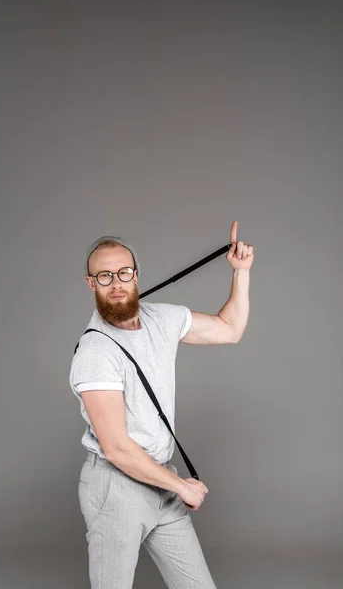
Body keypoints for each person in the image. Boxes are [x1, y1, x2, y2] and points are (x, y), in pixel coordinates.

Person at [69, 221, 253, 589]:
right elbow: (118, 449)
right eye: (104, 276)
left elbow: (229, 329)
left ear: (136, 275)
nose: (116, 283)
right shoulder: (95, 352)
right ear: (91, 284)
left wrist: (241, 274)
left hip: (160, 478)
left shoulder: (161, 319)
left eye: (123, 273)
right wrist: (181, 487)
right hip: (116, 487)